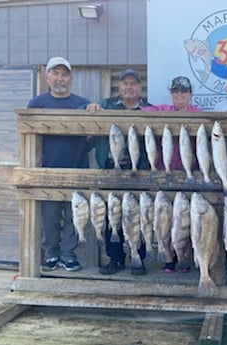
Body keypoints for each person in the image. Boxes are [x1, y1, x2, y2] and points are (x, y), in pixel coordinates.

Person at [27, 57, 91, 272]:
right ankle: (52, 254)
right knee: (50, 218)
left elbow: (94, 135)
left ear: (70, 78)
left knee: (75, 216)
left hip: (77, 169)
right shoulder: (36, 104)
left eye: (64, 74)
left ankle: (68, 254)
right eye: (55, 73)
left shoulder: (83, 104)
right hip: (47, 171)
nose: (60, 78)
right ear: (47, 77)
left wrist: (95, 111)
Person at [86, 68, 151, 276]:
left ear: (140, 88)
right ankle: (115, 258)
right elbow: (79, 110)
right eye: (125, 83)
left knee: (137, 214)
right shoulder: (105, 105)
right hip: (109, 169)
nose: (129, 87)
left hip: (136, 171)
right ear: (119, 86)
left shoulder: (148, 110)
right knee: (110, 214)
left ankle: (138, 256)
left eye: (133, 83)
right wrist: (90, 107)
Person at [141, 76, 202, 273]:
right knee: (163, 219)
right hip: (163, 174)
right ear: (171, 94)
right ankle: (168, 258)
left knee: (184, 220)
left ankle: (183, 257)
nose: (180, 95)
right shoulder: (162, 111)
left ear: (190, 94)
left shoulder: (198, 114)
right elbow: (142, 112)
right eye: (176, 91)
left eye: (184, 91)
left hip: (188, 175)